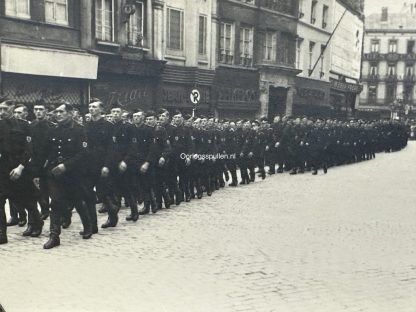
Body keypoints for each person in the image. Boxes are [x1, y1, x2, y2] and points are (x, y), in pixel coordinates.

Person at [32, 102, 92, 249]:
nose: (58, 115)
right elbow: (44, 153)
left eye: (61, 112)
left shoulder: (79, 130)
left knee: (77, 200)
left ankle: (88, 225)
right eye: (56, 113)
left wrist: (66, 165)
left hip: (73, 173)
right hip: (54, 173)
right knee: (56, 202)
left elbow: (84, 153)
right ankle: (54, 236)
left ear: (70, 113)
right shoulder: (53, 130)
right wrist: (38, 174)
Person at [0, 99, 44, 244]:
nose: (2, 112)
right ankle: (2, 234)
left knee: (25, 199)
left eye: (5, 109)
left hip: (19, 169)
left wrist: (20, 167)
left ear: (12, 108)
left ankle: (37, 222)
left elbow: (29, 149)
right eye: (0, 109)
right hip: (2, 168)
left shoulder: (24, 126)